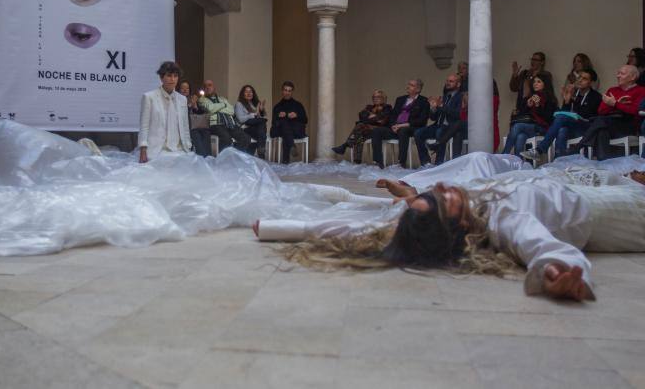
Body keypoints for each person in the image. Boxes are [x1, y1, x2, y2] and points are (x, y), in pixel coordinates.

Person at [255, 151, 645, 302]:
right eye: (444, 199)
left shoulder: (461, 206)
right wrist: (553, 273)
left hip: (567, 183)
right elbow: (541, 246)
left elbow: (356, 231)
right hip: (611, 213)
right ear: (458, 222)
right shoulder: (501, 217)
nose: (441, 187)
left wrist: (276, 226)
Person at [522, 69, 601, 162]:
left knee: (561, 118)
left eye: (584, 79)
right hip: (573, 127)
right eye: (579, 77)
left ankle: (540, 150)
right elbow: (565, 113)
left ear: (590, 82)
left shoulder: (596, 96)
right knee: (562, 129)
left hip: (586, 128)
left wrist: (573, 104)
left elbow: (589, 117)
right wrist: (567, 101)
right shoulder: (574, 94)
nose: (580, 80)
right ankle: (559, 160)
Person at [576, 65, 645, 160]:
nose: (618, 76)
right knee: (601, 129)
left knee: (600, 122)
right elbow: (601, 111)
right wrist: (613, 104)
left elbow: (636, 111)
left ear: (633, 77)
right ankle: (603, 163)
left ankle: (580, 146)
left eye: (622, 73)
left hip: (628, 126)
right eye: (618, 73)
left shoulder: (641, 90)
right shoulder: (612, 90)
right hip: (609, 124)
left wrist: (615, 104)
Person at [137, 61, 192, 163]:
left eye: (175, 76)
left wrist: (188, 146)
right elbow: (144, 126)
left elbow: (185, 126)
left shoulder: (182, 99)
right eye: (169, 75)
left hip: (180, 149)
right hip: (158, 150)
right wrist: (143, 149)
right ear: (161, 78)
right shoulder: (149, 97)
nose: (172, 79)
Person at [370, 79, 429, 168]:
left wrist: (402, 125)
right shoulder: (400, 99)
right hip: (396, 127)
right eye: (408, 84)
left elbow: (422, 120)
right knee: (377, 131)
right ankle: (378, 162)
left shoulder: (424, 101)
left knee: (403, 130)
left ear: (418, 89)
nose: (408, 86)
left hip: (411, 128)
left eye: (411, 85)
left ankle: (401, 162)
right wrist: (393, 125)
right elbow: (393, 115)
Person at [501, 75, 556, 156]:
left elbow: (549, 119)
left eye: (539, 82)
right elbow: (522, 117)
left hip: (542, 129)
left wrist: (537, 106)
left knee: (517, 126)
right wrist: (527, 106)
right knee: (521, 136)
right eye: (534, 82)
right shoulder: (529, 97)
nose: (535, 84)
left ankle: (504, 154)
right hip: (529, 128)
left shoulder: (549, 99)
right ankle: (519, 162)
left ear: (545, 84)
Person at [414, 74, 462, 166]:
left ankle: (438, 164)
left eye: (451, 81)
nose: (448, 83)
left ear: (458, 84)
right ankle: (425, 162)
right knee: (418, 133)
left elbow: (457, 114)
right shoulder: (444, 97)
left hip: (450, 127)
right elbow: (433, 118)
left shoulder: (460, 97)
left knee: (440, 132)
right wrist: (433, 108)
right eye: (447, 81)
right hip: (437, 125)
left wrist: (441, 106)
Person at [331, 90, 392, 163]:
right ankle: (356, 160)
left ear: (383, 98)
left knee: (360, 126)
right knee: (359, 134)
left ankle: (346, 146)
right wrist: (374, 118)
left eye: (378, 97)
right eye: (374, 97)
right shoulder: (369, 107)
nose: (375, 99)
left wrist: (371, 117)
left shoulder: (387, 107)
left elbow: (383, 121)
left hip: (379, 131)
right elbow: (362, 116)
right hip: (366, 130)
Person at [198, 79, 251, 153]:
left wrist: (216, 108)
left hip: (230, 123)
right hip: (216, 124)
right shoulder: (202, 100)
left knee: (246, 138)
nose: (207, 87)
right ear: (203, 89)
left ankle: (236, 157)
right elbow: (210, 109)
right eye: (205, 86)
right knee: (226, 139)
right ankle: (223, 160)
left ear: (214, 87)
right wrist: (224, 105)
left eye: (210, 85)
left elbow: (231, 110)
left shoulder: (222, 98)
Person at [271, 81, 308, 164]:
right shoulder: (277, 107)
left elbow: (305, 120)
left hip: (296, 131)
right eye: (285, 90)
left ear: (292, 92)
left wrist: (296, 116)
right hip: (283, 131)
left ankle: (285, 161)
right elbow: (273, 123)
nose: (287, 93)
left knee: (286, 130)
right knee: (284, 124)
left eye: (289, 91)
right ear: (282, 91)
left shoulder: (298, 105)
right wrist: (278, 116)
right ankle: (291, 145)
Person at [509, 51, 553, 116]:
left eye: (536, 60)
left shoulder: (546, 75)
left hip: (535, 108)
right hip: (521, 106)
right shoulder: (524, 73)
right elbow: (513, 88)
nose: (533, 62)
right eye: (532, 59)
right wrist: (515, 76)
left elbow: (547, 92)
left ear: (542, 62)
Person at [178, 79, 212, 157]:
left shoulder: (193, 98)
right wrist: (189, 106)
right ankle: (202, 157)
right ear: (179, 90)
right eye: (182, 88)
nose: (185, 90)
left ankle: (208, 157)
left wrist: (195, 107)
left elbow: (201, 113)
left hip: (196, 125)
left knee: (206, 132)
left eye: (187, 88)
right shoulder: (177, 100)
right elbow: (181, 114)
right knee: (195, 134)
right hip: (186, 126)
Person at [235, 85, 268, 158]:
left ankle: (259, 151)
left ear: (253, 93)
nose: (249, 93)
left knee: (262, 125)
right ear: (242, 94)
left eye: (250, 91)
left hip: (255, 129)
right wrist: (253, 115)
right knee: (262, 129)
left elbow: (264, 118)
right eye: (246, 91)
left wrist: (261, 110)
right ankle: (261, 152)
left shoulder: (256, 104)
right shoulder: (239, 104)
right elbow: (240, 119)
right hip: (244, 129)